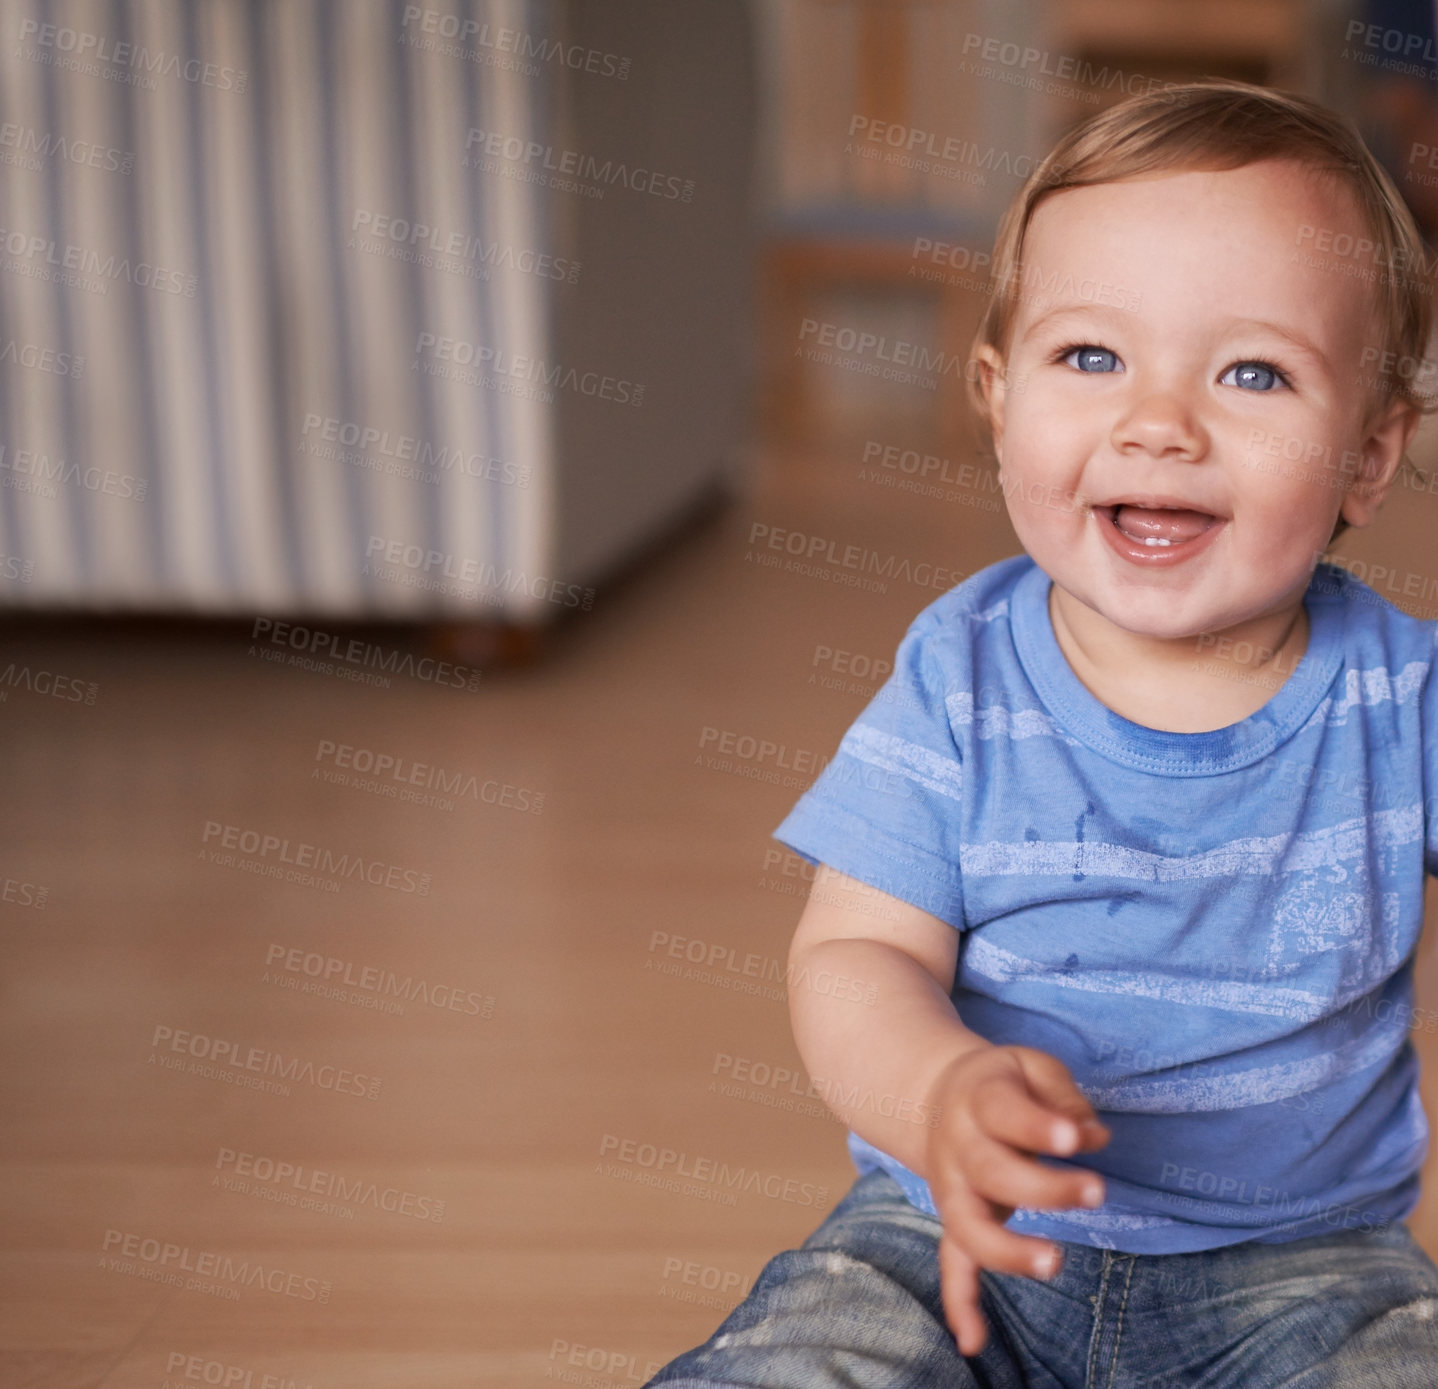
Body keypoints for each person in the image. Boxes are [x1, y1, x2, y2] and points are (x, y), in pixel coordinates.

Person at [644, 78, 1438, 1387]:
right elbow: (853, 953)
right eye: (1089, 356)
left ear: (1366, 453)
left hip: (1308, 1268)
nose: (1159, 420)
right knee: (808, 1351)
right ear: (995, 396)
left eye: (1251, 371)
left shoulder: (1399, 699)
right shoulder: (957, 675)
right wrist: (937, 1092)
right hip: (950, 1233)